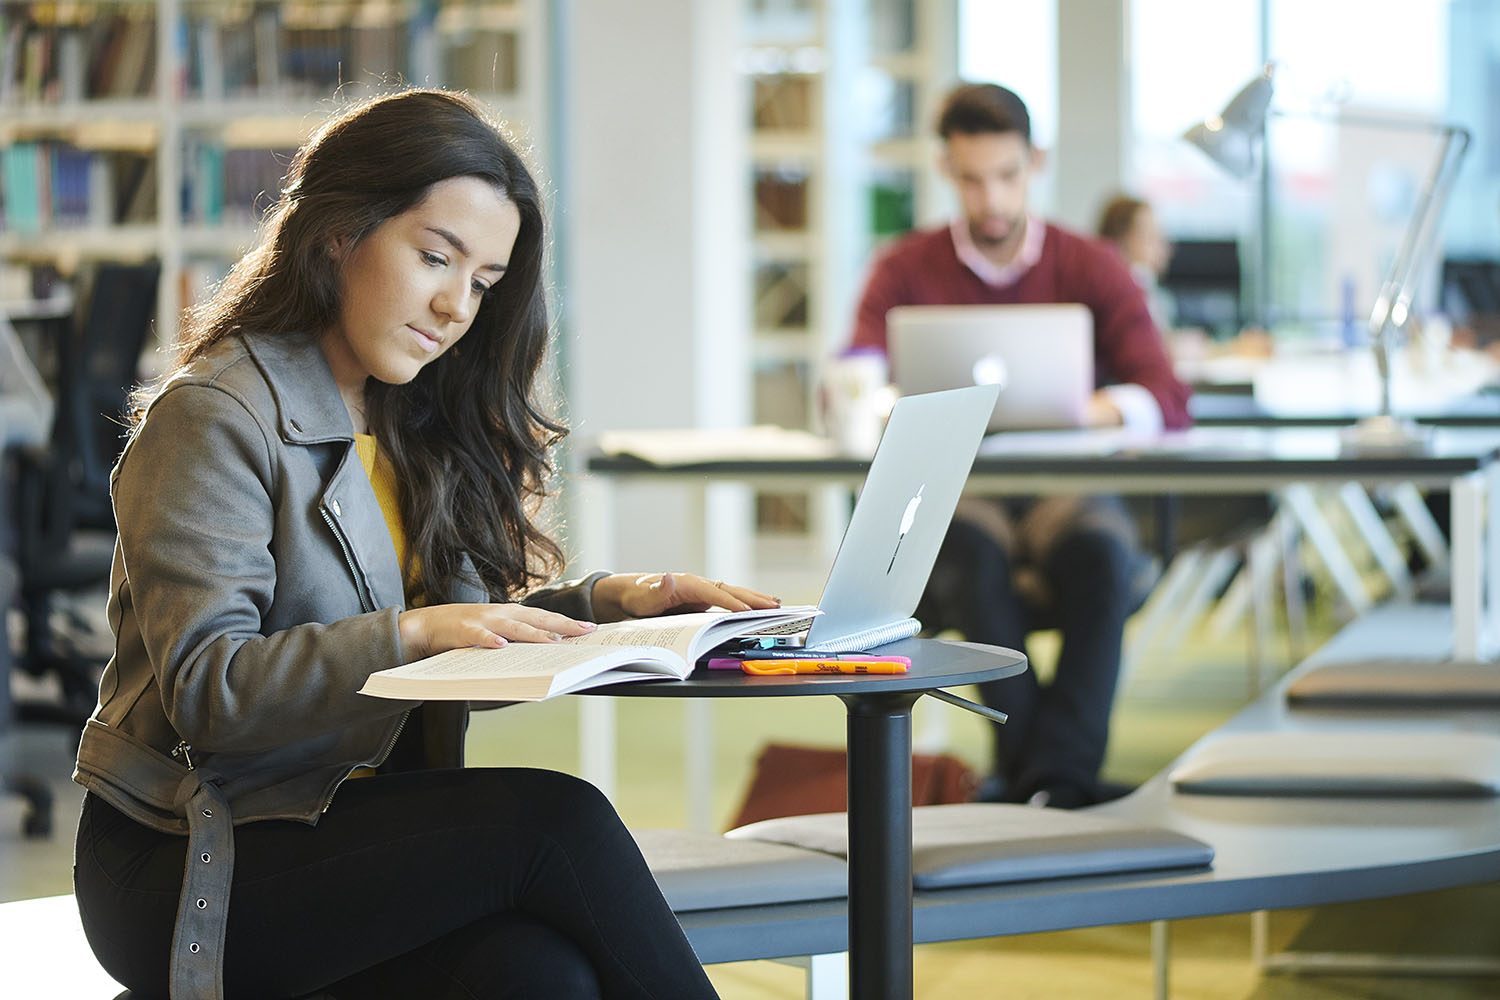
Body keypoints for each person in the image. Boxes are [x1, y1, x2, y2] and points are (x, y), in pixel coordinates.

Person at [71, 89, 775, 1000]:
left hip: (340, 825)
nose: (455, 307)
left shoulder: (409, 411)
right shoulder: (214, 417)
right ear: (337, 233)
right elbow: (212, 689)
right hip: (191, 854)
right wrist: (414, 635)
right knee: (556, 820)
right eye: (435, 258)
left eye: (483, 283)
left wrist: (609, 606)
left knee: (540, 976)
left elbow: (453, 626)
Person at [848, 83, 1191, 809]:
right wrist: (881, 400)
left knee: (1101, 554)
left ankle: (1044, 776)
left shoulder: (1088, 262)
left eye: (1007, 176)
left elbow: (1164, 393)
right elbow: (854, 373)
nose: (992, 200)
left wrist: (1087, 409)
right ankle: (1053, 777)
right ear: (947, 169)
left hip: (1062, 489)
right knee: (972, 555)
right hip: (963, 491)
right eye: (972, 180)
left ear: (1035, 161)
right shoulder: (906, 266)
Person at [1096, 193, 1175, 332]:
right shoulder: (1125, 295)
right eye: (1150, 236)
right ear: (1121, 241)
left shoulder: (1151, 290)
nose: (1161, 245)